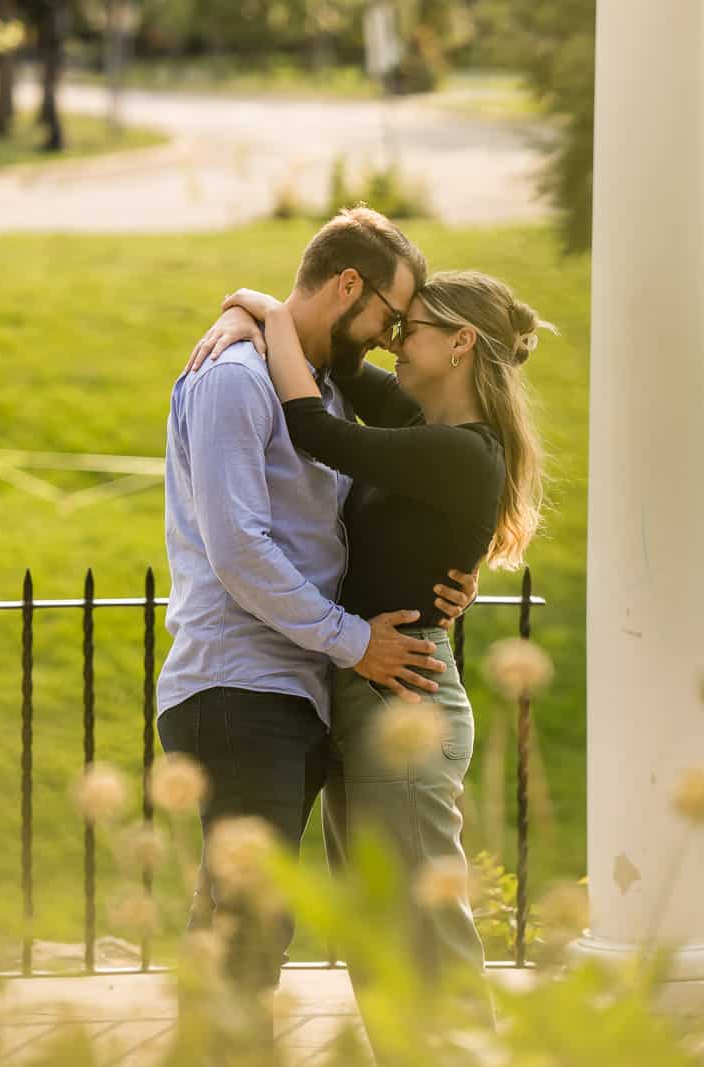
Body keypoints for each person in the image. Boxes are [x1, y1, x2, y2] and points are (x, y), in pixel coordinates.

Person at [188, 267, 551, 1057]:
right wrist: (265, 309)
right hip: (365, 699)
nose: (394, 340)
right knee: (383, 947)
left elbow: (319, 429)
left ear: (460, 344)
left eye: (410, 328)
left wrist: (256, 309)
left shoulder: (462, 452)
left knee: (427, 943)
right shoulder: (424, 430)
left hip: (404, 703)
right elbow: (339, 362)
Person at [155, 208, 479, 1054]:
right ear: (347, 287)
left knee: (246, 920)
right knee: (250, 925)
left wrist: (448, 562)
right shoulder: (235, 379)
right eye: (387, 317)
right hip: (238, 685)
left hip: (295, 688)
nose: (389, 337)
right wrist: (353, 639)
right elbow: (239, 551)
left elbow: (377, 504)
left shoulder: (318, 380)